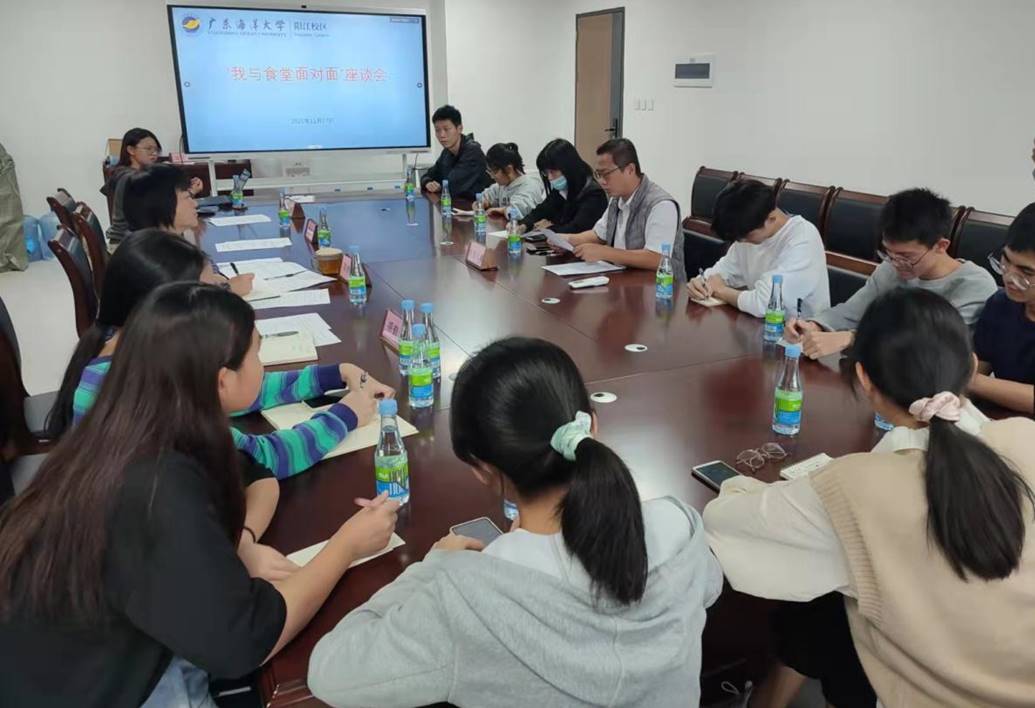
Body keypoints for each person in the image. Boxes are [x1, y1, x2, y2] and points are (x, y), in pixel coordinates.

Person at [0, 282, 400, 708]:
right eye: (256, 354)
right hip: (108, 685)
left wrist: (240, 541)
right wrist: (347, 545)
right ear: (222, 380)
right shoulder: (156, 487)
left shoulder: (137, 421)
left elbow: (258, 473)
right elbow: (247, 641)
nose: (262, 366)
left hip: (91, 649)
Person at [307, 337, 723, 707]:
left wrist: (434, 567)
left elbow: (330, 671)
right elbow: (709, 586)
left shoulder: (465, 598)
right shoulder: (679, 526)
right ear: (592, 426)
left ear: (482, 471)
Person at [704, 289, 1035, 708]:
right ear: (970, 366)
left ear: (864, 378)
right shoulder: (1025, 436)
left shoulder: (854, 488)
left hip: (923, 694)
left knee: (830, 597)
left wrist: (743, 487)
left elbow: (727, 523)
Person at [45, 229, 394, 485]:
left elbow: (243, 390)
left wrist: (333, 374)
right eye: (211, 289)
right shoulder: (149, 404)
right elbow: (268, 456)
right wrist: (345, 415)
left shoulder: (129, 356)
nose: (222, 295)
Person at [785, 187, 997, 359]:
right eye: (888, 253)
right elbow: (851, 312)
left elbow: (928, 343)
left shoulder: (974, 284)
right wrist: (814, 325)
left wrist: (851, 338)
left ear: (941, 246)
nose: (897, 264)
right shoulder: (890, 268)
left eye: (906, 256)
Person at [687, 180, 830, 318]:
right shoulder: (748, 231)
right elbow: (721, 273)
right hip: (757, 325)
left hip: (798, 330)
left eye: (746, 236)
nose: (742, 242)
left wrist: (721, 290)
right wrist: (701, 284)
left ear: (771, 219)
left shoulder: (803, 239)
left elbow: (765, 303)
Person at [123, 163, 252, 296]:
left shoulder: (160, 242)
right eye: (187, 197)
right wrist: (228, 290)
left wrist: (212, 278)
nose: (195, 203)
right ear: (164, 205)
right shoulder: (154, 260)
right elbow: (183, 304)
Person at [564, 138, 685, 281]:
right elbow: (599, 235)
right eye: (598, 174)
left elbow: (657, 259)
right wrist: (568, 240)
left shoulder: (660, 205)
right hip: (624, 281)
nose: (601, 181)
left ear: (630, 169)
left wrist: (605, 252)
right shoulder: (616, 199)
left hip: (660, 289)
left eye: (606, 174)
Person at [971, 202, 1035, 414]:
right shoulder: (1000, 304)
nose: (1009, 277)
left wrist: (971, 380)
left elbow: (972, 379)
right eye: (1006, 261)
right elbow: (979, 366)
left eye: (1026, 272)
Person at [101, 128, 202, 251]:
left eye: (156, 150)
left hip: (134, 238)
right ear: (131, 150)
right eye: (148, 149)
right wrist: (190, 192)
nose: (154, 153)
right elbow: (159, 208)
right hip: (127, 243)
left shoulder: (131, 174)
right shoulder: (131, 178)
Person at [519, 138, 608, 235]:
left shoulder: (594, 195)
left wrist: (549, 228)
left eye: (553, 171)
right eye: (546, 172)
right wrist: (524, 225)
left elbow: (577, 229)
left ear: (568, 167)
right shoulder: (562, 189)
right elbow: (541, 210)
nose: (550, 177)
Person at [419, 105, 492, 199]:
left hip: (478, 205)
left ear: (459, 129)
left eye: (446, 129)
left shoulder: (473, 151)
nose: (442, 135)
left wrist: (439, 186)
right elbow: (427, 175)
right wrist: (428, 183)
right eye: (437, 130)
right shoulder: (447, 152)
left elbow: (452, 186)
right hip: (457, 204)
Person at [480, 142, 545, 219]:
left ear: (509, 169)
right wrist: (483, 202)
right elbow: (485, 196)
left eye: (494, 172)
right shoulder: (502, 185)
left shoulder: (530, 186)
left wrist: (503, 210)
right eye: (489, 172)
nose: (492, 177)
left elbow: (518, 212)